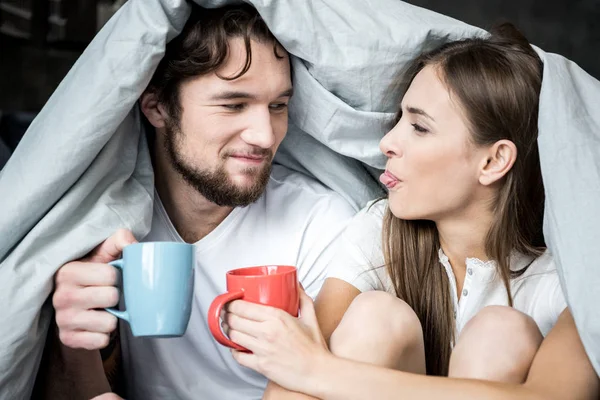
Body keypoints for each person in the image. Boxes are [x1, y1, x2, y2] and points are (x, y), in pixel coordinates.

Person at [223, 24, 600, 399]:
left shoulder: (565, 277)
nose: (387, 142)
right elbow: (292, 386)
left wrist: (317, 369)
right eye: (399, 120)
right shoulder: (378, 233)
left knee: (500, 332)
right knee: (377, 316)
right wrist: (305, 364)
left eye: (419, 127)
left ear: (494, 160)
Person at [50, 4, 356, 400]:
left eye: (278, 105)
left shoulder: (322, 223)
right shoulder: (103, 228)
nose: (265, 136)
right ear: (157, 106)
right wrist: (75, 346)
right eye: (233, 105)